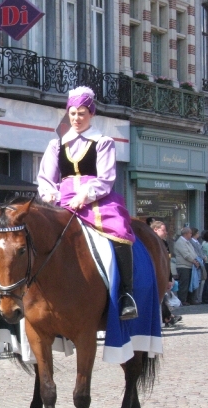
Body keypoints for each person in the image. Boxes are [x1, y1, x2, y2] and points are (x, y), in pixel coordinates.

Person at [37, 86, 137, 320]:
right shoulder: (56, 145)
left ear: (91, 114)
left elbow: (106, 178)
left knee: (120, 230)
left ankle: (126, 295)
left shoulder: (103, 142)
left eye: (82, 113)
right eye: (72, 113)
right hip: (63, 199)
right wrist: (49, 194)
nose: (76, 118)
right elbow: (45, 178)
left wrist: (85, 194)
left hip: (96, 198)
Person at [150, 221, 182, 326]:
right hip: (153, 275)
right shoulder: (150, 242)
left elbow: (166, 263)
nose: (166, 233)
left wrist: (169, 278)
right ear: (155, 229)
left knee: (162, 298)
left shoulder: (164, 243)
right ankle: (167, 318)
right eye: (163, 230)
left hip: (162, 274)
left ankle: (166, 318)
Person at [175, 227, 201, 306]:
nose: (191, 234)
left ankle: (190, 299)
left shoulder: (188, 242)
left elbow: (193, 252)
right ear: (186, 234)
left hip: (191, 266)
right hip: (183, 266)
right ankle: (182, 300)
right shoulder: (180, 242)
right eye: (190, 233)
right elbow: (186, 254)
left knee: (191, 284)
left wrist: (197, 260)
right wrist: (194, 261)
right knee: (184, 284)